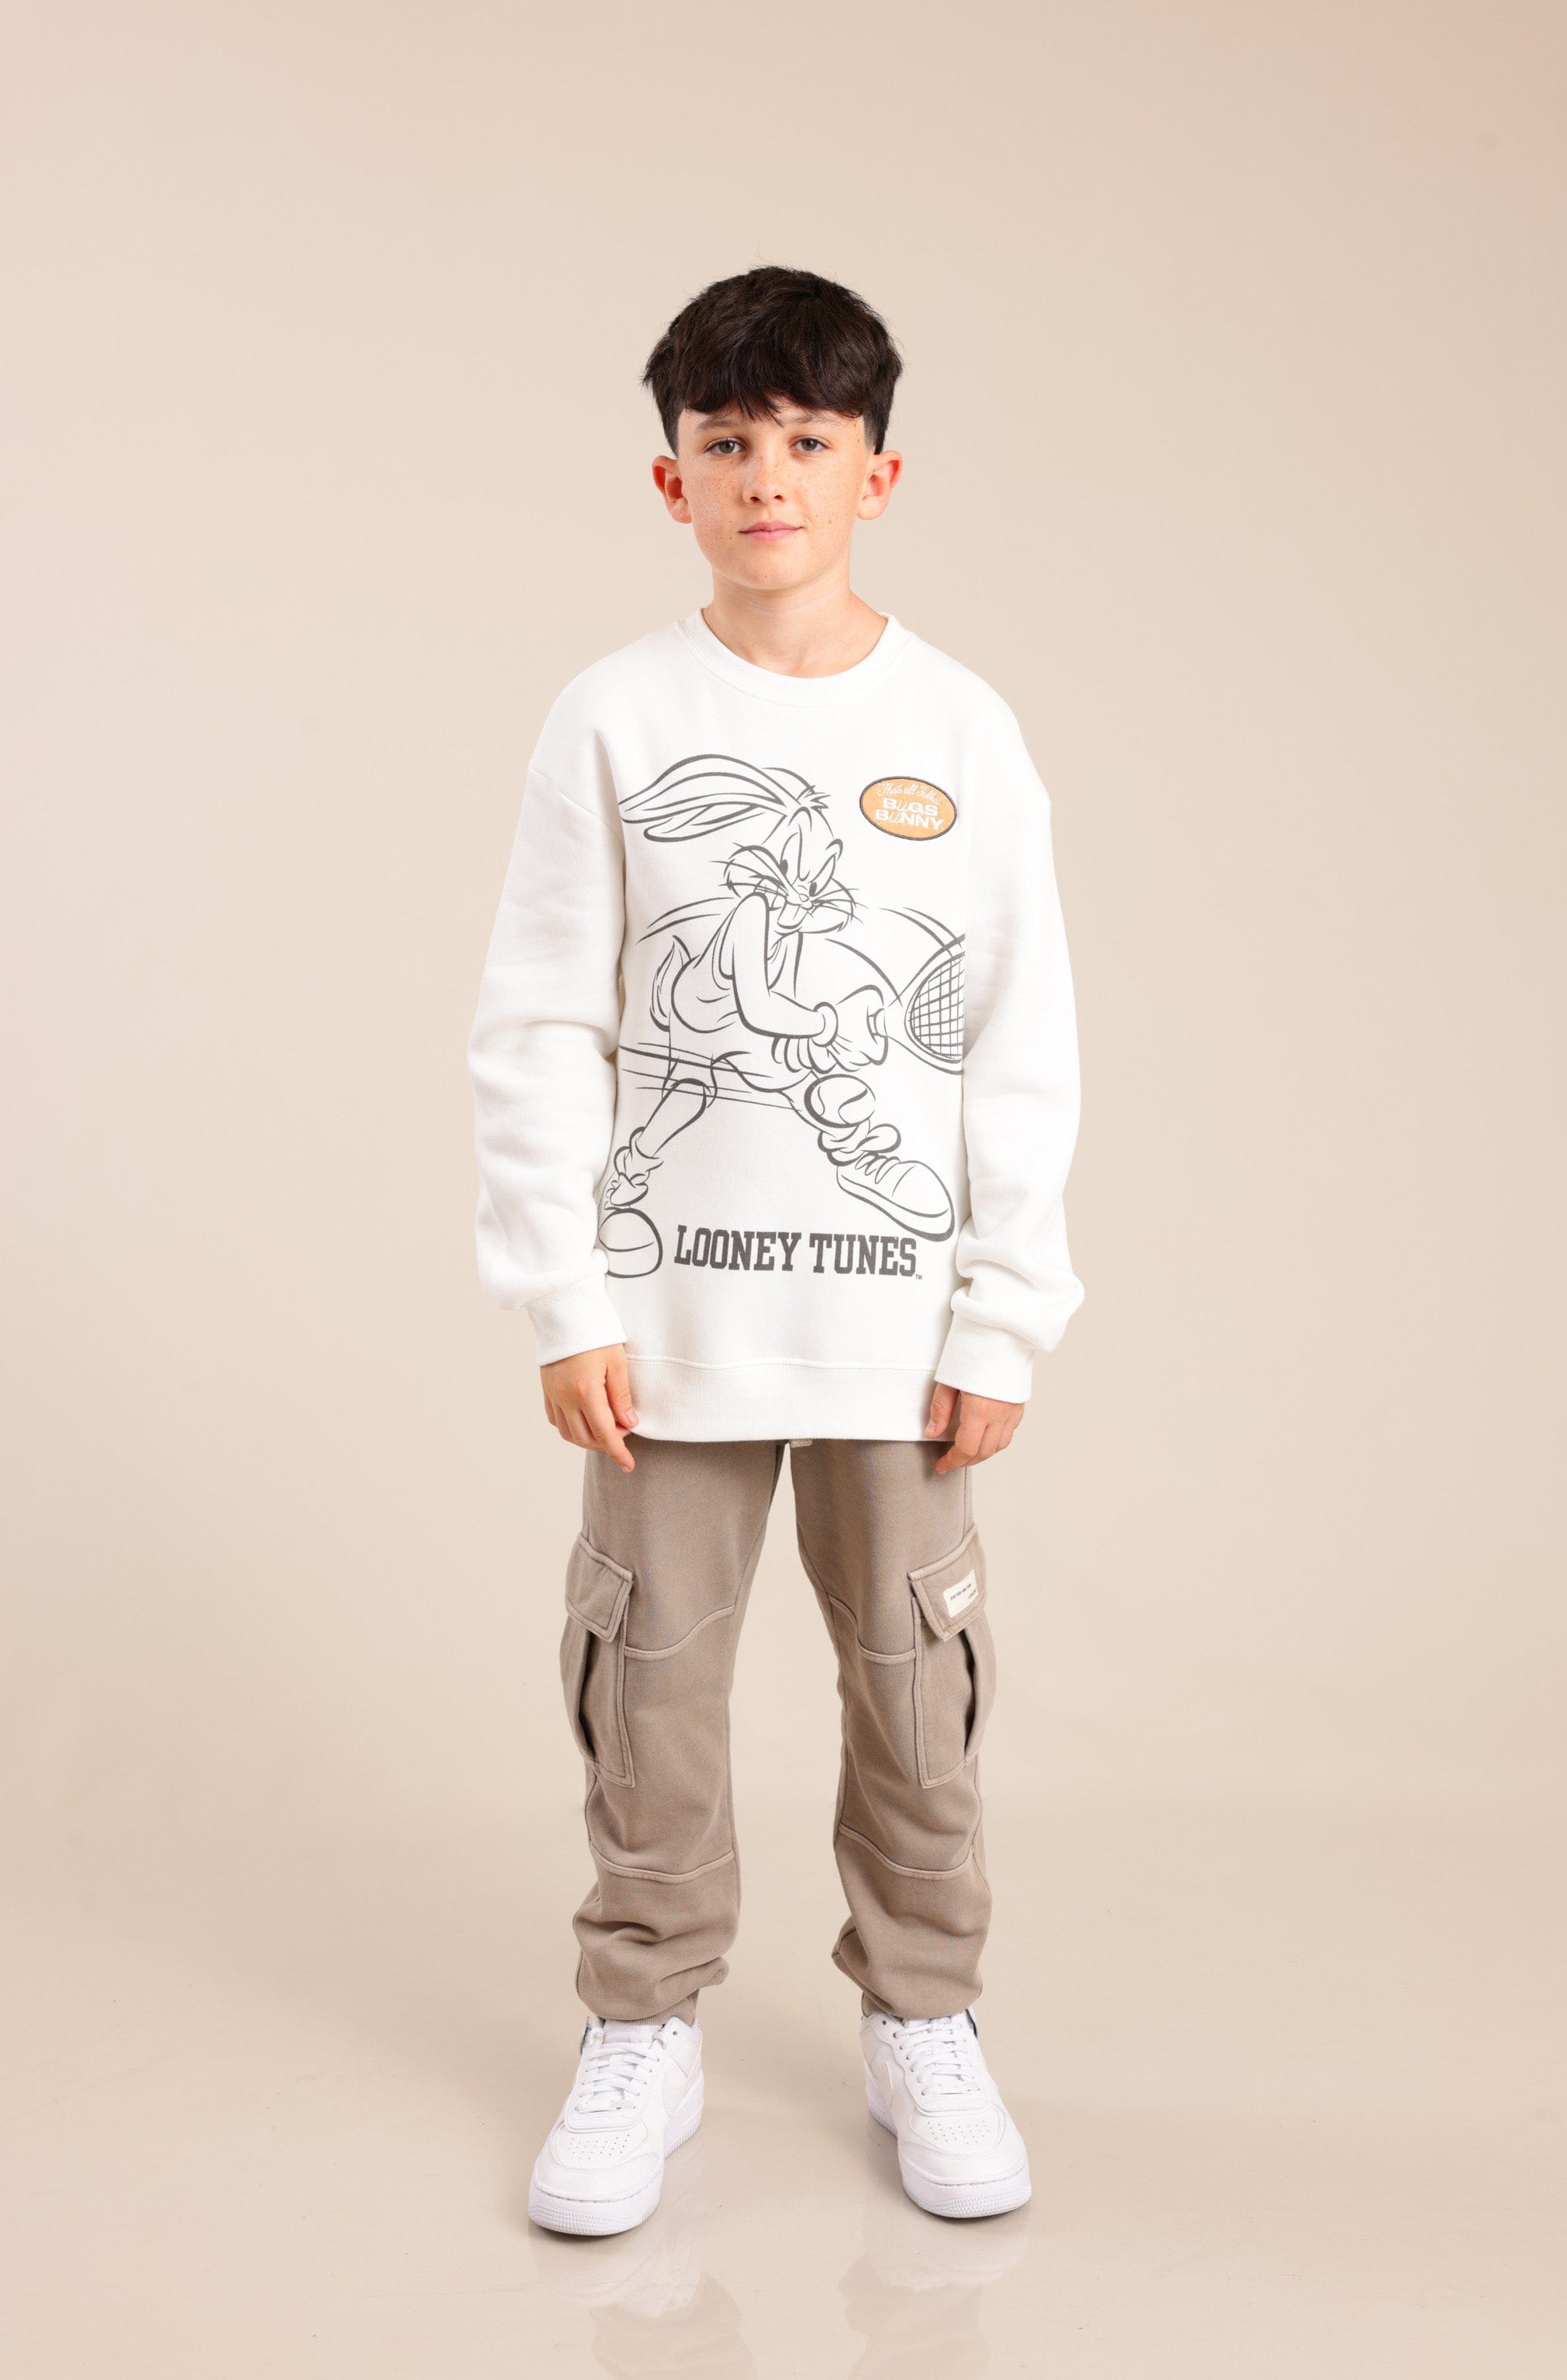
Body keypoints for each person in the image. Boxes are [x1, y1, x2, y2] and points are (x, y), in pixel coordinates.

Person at [467, 265, 1083, 2235]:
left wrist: (1004, 1313)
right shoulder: (614, 716)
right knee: (648, 1683)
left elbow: (1018, 1036)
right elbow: (540, 1021)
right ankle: (640, 2025)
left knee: (914, 1683)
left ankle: (925, 2014)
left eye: (807, 441)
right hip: (673, 1327)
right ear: (672, 480)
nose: (766, 478)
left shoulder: (962, 729)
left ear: (874, 473)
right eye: (726, 443)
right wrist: (564, 1295)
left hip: (899, 1329)